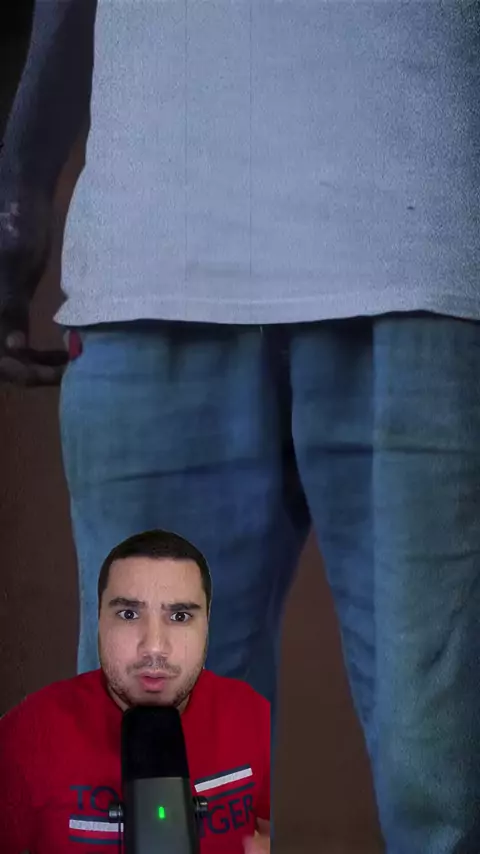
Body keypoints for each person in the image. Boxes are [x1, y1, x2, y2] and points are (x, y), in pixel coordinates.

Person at [1, 2, 480, 853]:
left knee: (449, 791)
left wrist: (22, 185)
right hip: (161, 255)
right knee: (155, 804)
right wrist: (18, 190)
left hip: (420, 251)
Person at [0, 529, 271, 854]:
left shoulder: (256, 717)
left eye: (180, 616)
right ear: (99, 620)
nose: (154, 646)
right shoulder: (28, 734)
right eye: (128, 614)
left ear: (207, 624)